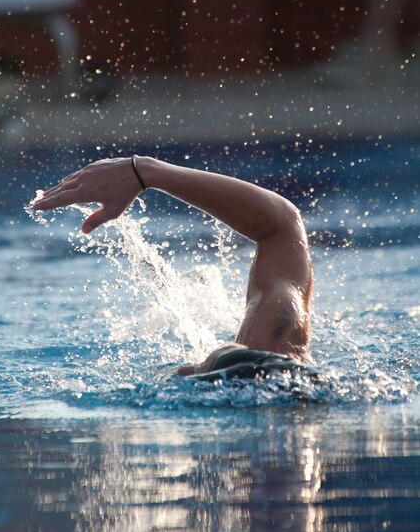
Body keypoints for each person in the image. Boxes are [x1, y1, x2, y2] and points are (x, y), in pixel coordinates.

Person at [33, 156, 313, 378]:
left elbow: (282, 224)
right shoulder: (279, 356)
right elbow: (283, 226)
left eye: (203, 366)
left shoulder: (273, 357)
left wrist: (145, 169)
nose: (187, 369)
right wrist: (144, 171)